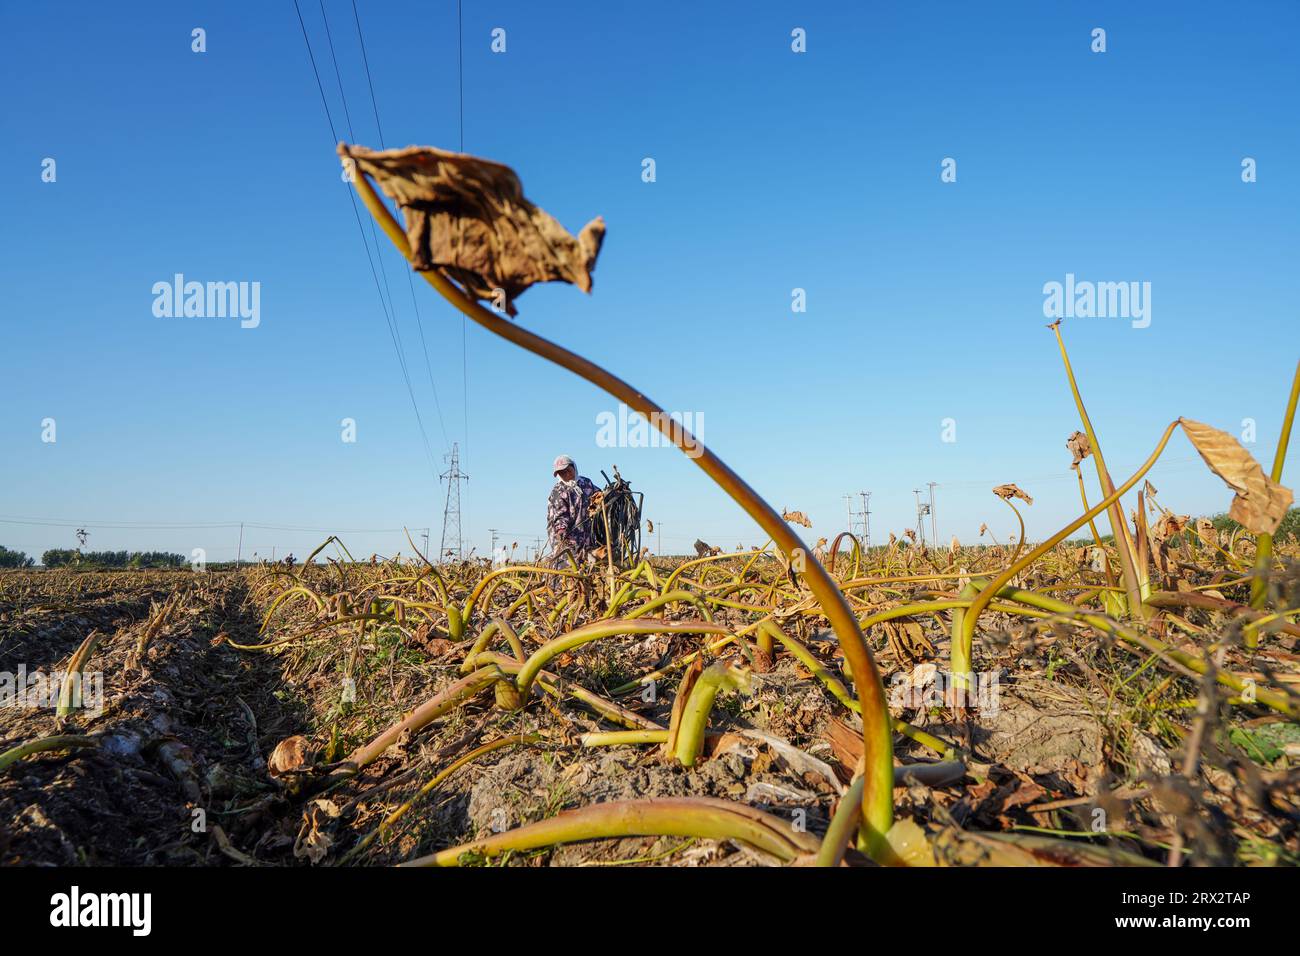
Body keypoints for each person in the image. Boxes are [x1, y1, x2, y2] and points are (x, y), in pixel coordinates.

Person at [546, 455, 600, 564]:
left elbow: (600, 496)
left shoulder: (586, 483)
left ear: (574, 468)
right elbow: (560, 516)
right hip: (566, 539)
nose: (566, 474)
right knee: (566, 570)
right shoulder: (558, 491)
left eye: (568, 470)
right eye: (562, 473)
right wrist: (562, 531)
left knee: (587, 569)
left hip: (586, 537)